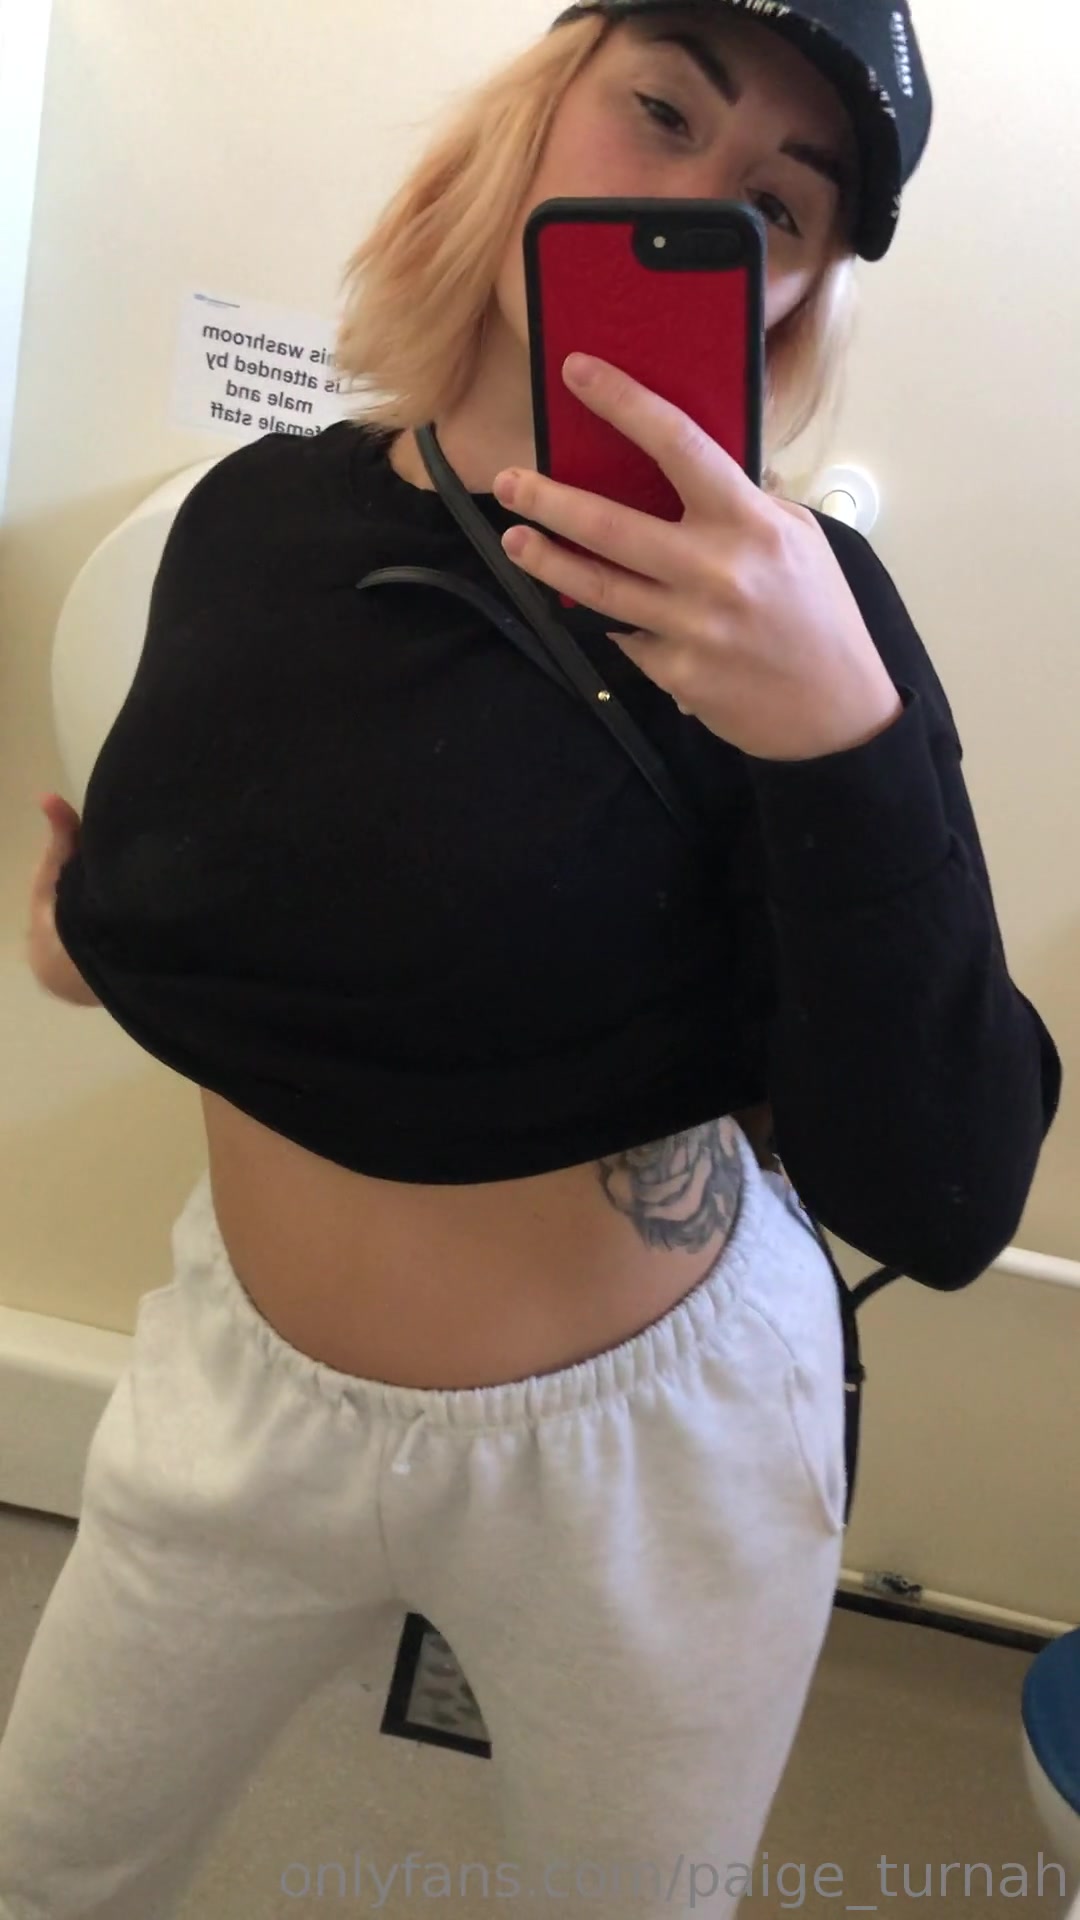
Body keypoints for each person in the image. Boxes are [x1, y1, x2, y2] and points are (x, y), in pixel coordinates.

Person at [4, 2, 1062, 1916]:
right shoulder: (255, 517)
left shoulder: (806, 622)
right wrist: (94, 946)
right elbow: (218, 913)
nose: (698, 205)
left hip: (639, 1453)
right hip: (236, 1382)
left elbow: (944, 1187)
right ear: (535, 113)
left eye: (780, 205)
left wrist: (842, 733)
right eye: (660, 108)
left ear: (798, 290)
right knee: (48, 1861)